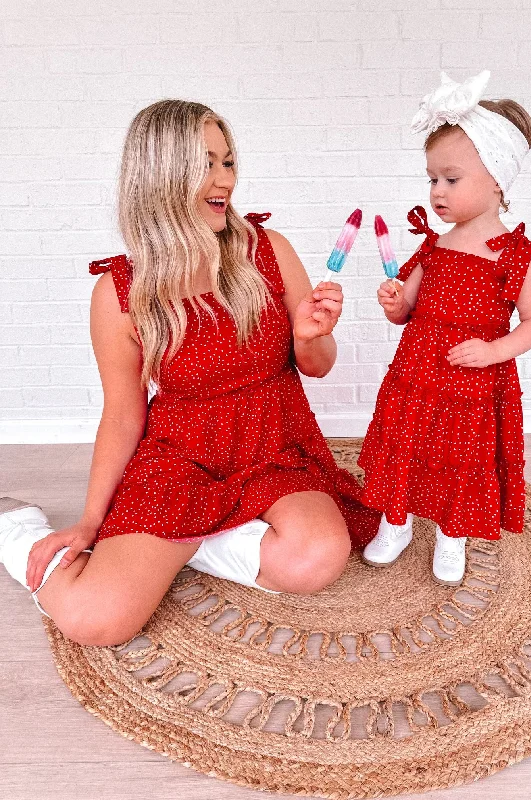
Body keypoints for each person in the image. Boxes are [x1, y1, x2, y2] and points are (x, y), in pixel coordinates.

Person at [0, 100, 379, 647]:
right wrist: (88, 520)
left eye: (228, 162)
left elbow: (317, 367)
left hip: (274, 443)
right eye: (206, 164)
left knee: (319, 557)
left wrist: (310, 336)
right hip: (181, 456)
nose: (224, 178)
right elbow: (123, 412)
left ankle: (188, 541)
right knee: (94, 621)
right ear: (160, 177)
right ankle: (16, 531)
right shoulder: (120, 294)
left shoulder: (266, 250)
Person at [358, 71, 531, 586]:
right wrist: (394, 302)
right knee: (406, 444)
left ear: (496, 179)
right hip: (417, 371)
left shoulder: (515, 254)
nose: (437, 191)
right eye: (432, 179)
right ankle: (393, 522)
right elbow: (406, 313)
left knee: (458, 457)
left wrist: (493, 351)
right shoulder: (434, 246)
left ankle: (451, 534)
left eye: (451, 178)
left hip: (469, 380)